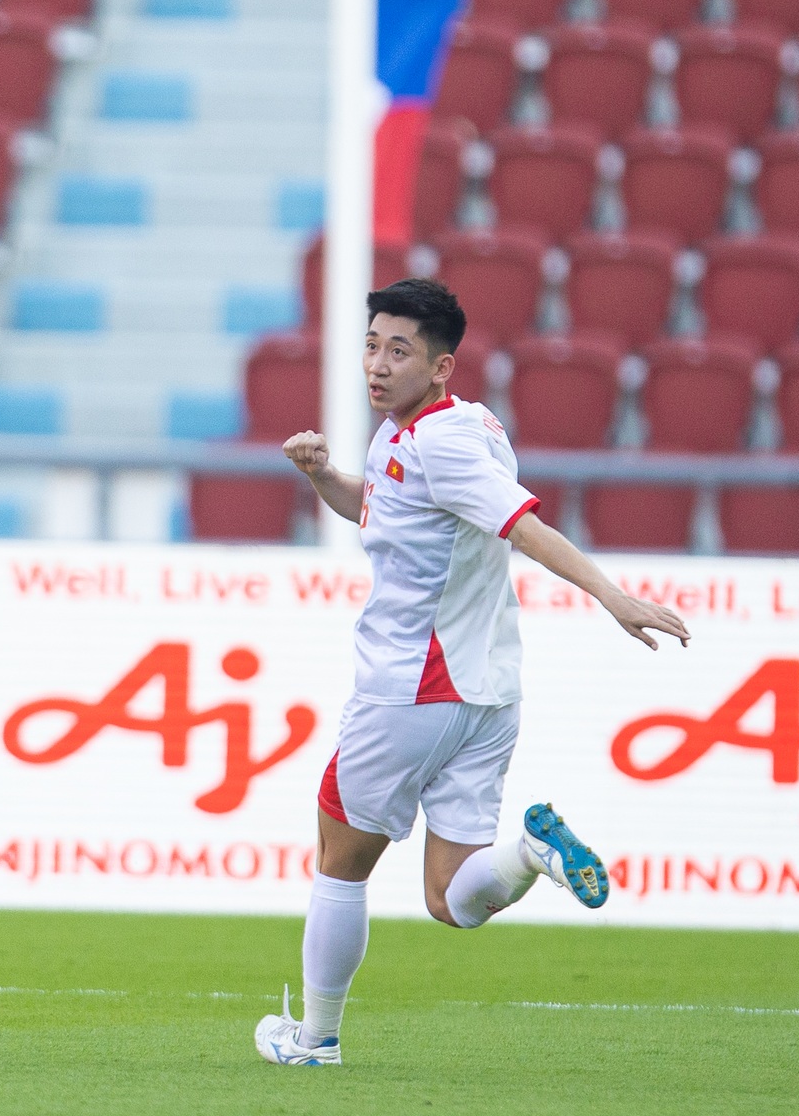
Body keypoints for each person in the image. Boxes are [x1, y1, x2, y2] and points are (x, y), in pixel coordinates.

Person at [255, 278, 691, 1067]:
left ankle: (315, 1039)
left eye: (399, 351)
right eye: (372, 346)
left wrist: (612, 595)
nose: (377, 364)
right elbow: (384, 507)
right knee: (450, 897)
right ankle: (530, 852)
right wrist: (322, 476)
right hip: (488, 694)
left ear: (441, 366)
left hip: (411, 687)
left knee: (341, 862)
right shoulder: (449, 428)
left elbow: (522, 527)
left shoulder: (439, 443)